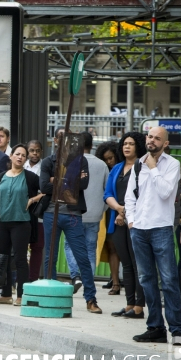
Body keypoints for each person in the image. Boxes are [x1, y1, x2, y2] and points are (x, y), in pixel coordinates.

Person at [126, 126, 181, 344]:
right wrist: (132, 221)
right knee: (147, 280)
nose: (151, 141)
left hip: (161, 227)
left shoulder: (172, 165)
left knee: (169, 280)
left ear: (165, 143)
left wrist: (153, 168)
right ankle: (155, 328)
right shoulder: (138, 164)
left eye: (157, 138)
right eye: (150, 137)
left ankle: (177, 330)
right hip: (139, 229)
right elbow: (130, 196)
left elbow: (165, 192)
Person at [41, 127, 102, 314]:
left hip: (73, 215)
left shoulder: (80, 160)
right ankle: (48, 294)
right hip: (52, 213)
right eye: (60, 137)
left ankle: (90, 298)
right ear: (55, 140)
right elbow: (44, 186)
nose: (63, 140)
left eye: (66, 137)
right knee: (49, 256)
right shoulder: (47, 161)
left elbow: (82, 185)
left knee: (82, 256)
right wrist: (70, 180)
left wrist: (57, 180)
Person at [104, 131, 147, 319]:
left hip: (136, 221)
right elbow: (107, 194)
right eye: (124, 144)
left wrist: (126, 212)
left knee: (139, 265)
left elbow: (144, 195)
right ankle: (129, 304)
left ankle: (139, 306)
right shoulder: (117, 168)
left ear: (138, 145)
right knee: (127, 264)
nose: (127, 147)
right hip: (118, 219)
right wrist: (119, 209)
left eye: (131, 143)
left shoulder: (142, 167)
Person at [0, 144, 41, 306]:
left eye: (23, 155)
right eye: (17, 154)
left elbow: (46, 192)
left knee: (20, 259)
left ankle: (21, 294)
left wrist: (32, 199)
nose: (20, 157)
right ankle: (6, 293)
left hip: (21, 223)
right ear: (11, 156)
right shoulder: (0, 177)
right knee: (3, 259)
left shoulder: (31, 177)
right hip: (1, 223)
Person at [63, 132, 109, 293]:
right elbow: (107, 190)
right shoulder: (102, 165)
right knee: (90, 248)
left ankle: (75, 276)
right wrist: (102, 209)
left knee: (70, 245)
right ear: (92, 144)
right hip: (95, 214)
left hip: (75, 213)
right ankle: (87, 281)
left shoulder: (73, 162)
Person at [95, 141, 122, 292]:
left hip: (124, 210)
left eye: (111, 158)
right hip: (109, 211)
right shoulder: (104, 170)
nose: (108, 161)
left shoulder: (123, 169)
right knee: (112, 247)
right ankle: (115, 282)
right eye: (105, 159)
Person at [25, 140, 44, 282]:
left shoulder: (45, 167)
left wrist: (32, 199)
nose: (35, 153)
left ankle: (32, 279)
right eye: (32, 150)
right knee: (20, 248)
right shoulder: (21, 165)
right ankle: (20, 279)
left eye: (37, 150)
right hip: (22, 213)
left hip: (39, 214)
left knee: (37, 247)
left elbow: (47, 191)